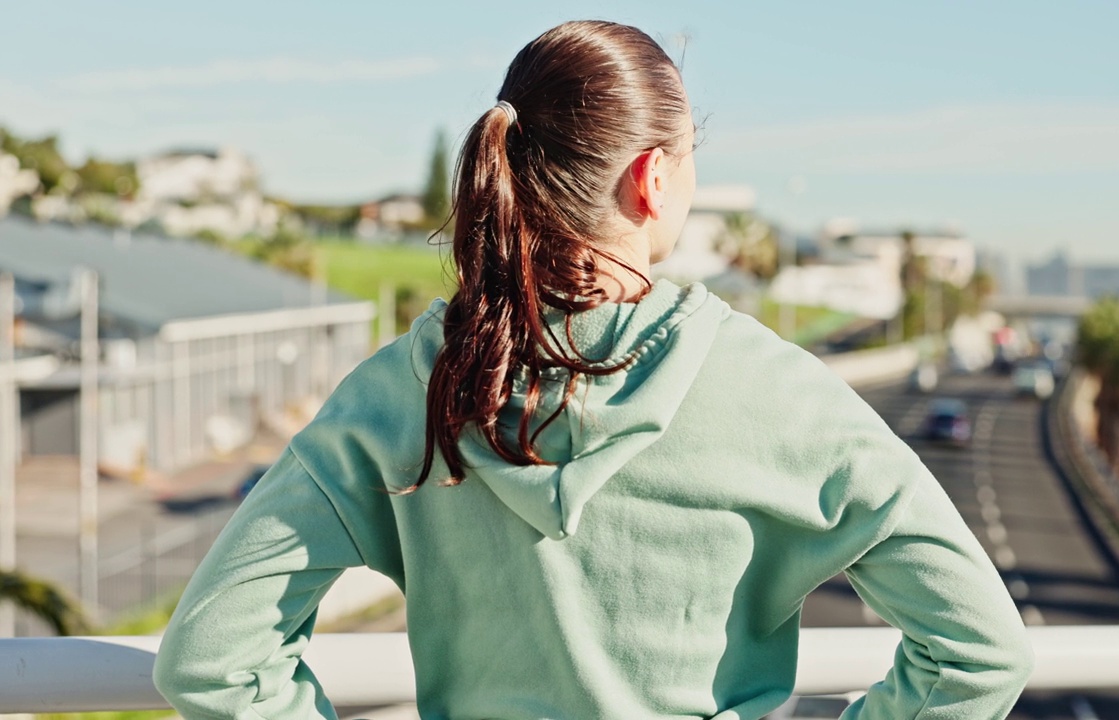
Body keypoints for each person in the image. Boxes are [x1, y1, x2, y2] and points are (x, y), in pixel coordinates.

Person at [153, 19, 1033, 719]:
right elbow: (980, 655)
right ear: (652, 179)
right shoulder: (776, 393)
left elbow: (210, 660)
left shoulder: (406, 388)